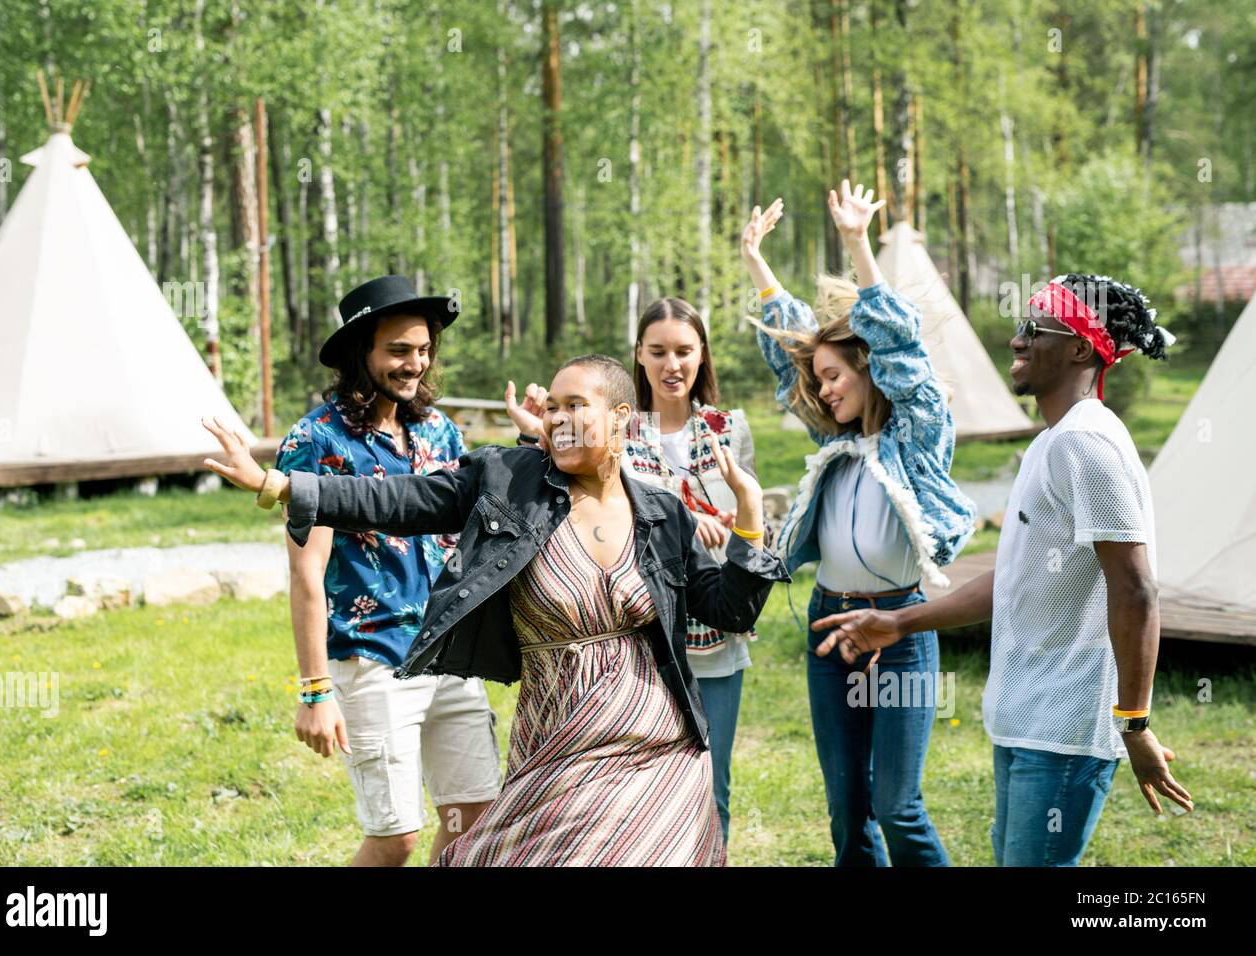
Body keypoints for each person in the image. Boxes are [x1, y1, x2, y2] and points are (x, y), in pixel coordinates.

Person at [201, 353, 790, 867]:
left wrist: (749, 515)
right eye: (552, 406)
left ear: (620, 418)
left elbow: (728, 610)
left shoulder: (662, 513)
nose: (557, 418)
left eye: (575, 406)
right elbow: (395, 500)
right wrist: (280, 485)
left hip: (660, 750)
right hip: (559, 747)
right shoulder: (508, 481)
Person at [814, 273, 1194, 866]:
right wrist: (902, 622)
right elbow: (1016, 577)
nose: (1016, 341)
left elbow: (1136, 590)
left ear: (1078, 348)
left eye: (1033, 329)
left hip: (1062, 731)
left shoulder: (1087, 444)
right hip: (1025, 720)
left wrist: (1135, 723)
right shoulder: (1052, 443)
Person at [740, 182, 977, 866]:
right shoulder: (832, 447)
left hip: (900, 632)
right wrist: (757, 264)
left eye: (837, 376)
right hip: (830, 630)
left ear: (869, 370)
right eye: (820, 380)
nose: (825, 389)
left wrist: (856, 246)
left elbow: (901, 349)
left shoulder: (920, 437)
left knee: (897, 805)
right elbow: (786, 360)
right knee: (848, 812)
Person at [502, 299, 760, 846]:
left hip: (712, 628)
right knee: (622, 795)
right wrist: (537, 436)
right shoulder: (615, 425)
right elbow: (569, 489)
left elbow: (749, 511)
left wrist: (732, 527)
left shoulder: (728, 429)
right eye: (659, 350)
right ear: (639, 355)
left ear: (702, 356)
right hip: (636, 641)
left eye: (685, 351)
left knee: (710, 786)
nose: (673, 364)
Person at [273, 275, 501, 866]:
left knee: (472, 816)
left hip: (451, 651)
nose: (415, 364)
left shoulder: (439, 430)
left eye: (423, 350)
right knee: (395, 835)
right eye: (398, 351)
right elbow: (306, 573)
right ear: (361, 354)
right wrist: (314, 689)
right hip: (373, 658)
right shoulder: (317, 441)